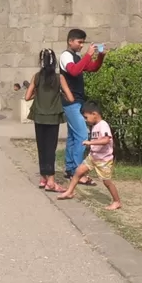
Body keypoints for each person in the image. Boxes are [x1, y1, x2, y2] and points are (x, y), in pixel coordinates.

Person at [60, 29, 106, 183]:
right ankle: (78, 172)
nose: (81, 45)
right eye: (79, 42)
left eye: (83, 42)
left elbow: (92, 68)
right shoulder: (66, 56)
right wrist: (87, 55)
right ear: (70, 41)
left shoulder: (76, 57)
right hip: (70, 102)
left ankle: (70, 168)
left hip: (77, 101)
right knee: (82, 135)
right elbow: (73, 71)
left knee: (73, 137)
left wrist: (100, 56)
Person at [56, 102, 121, 210]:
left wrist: (90, 143)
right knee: (78, 172)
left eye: (86, 117)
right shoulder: (95, 126)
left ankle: (117, 201)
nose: (85, 120)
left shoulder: (103, 125)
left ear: (94, 114)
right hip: (93, 157)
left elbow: (106, 140)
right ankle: (70, 192)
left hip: (103, 160)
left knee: (107, 182)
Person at [25, 49, 70, 191]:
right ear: (54, 61)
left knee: (41, 147)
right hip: (53, 116)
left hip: (38, 116)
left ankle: (43, 178)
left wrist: (36, 94)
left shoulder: (37, 77)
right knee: (51, 148)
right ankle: (51, 180)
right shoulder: (59, 78)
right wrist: (60, 94)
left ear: (41, 61)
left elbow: (27, 97)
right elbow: (71, 98)